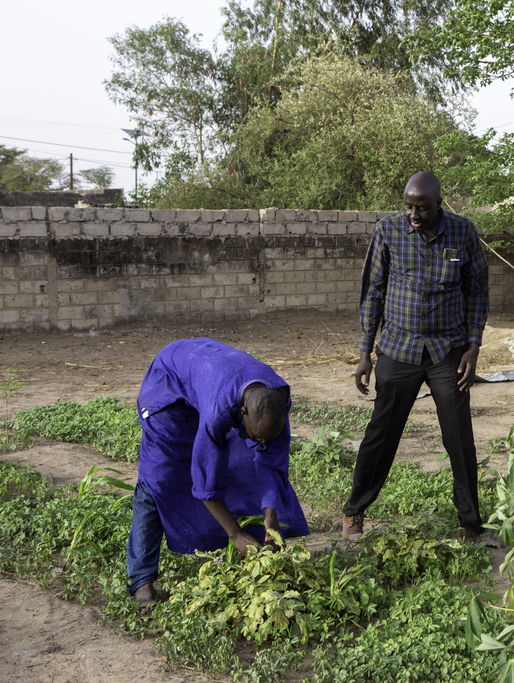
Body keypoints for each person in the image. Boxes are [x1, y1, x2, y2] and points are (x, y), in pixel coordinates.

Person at [343, 171, 489, 543]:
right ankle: (354, 512)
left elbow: (477, 289)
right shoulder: (388, 231)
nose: (414, 214)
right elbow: (372, 292)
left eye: (422, 208)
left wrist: (474, 346)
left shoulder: (463, 233)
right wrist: (365, 351)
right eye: (408, 206)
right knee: (381, 433)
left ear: (439, 204)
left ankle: (470, 522)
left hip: (448, 350)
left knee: (459, 437)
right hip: (398, 348)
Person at [127, 338, 309, 605]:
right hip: (167, 385)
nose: (260, 441)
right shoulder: (219, 410)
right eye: (255, 434)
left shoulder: (275, 402)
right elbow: (205, 483)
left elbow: (274, 462)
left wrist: (271, 520)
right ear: (242, 412)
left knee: (248, 462)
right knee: (160, 477)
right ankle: (142, 580)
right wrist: (234, 533)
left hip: (209, 373)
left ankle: (258, 545)